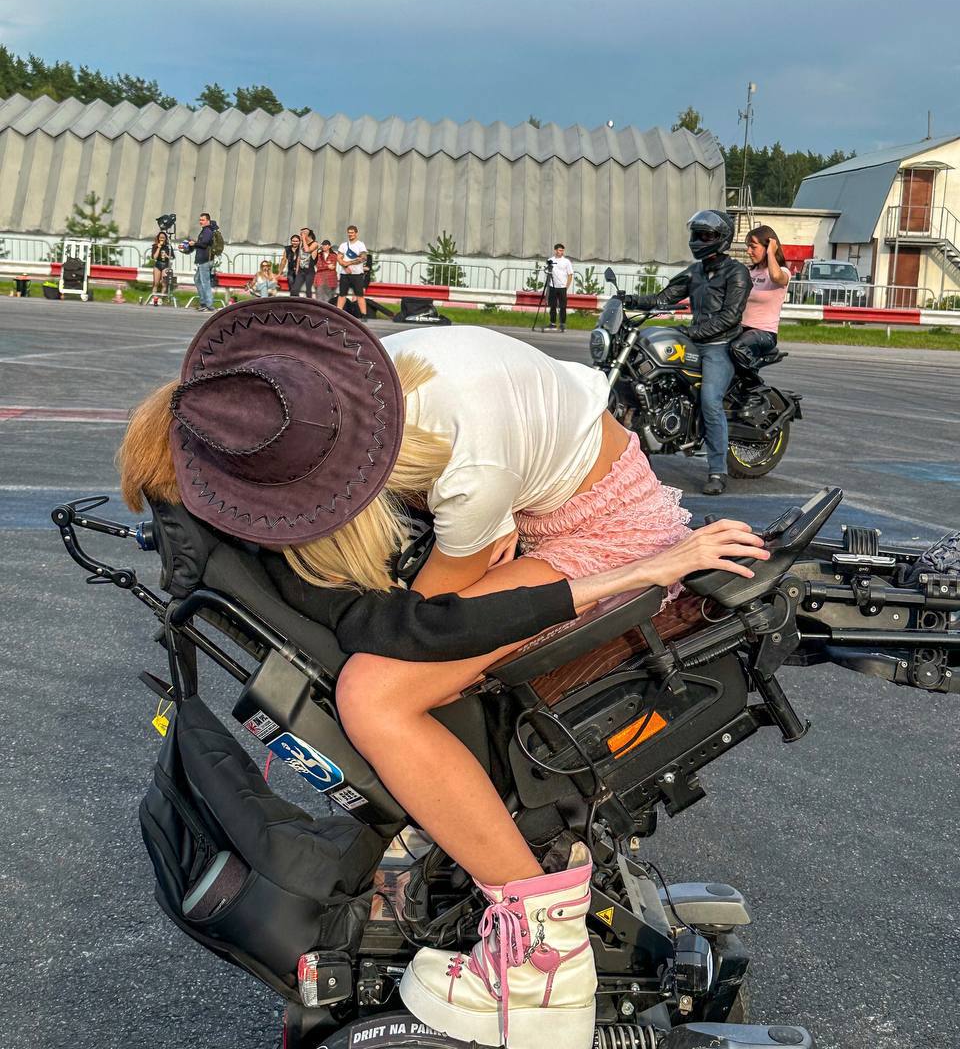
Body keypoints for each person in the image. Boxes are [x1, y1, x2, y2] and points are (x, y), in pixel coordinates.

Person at [116, 300, 769, 1049]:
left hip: (606, 533)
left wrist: (639, 571)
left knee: (377, 697)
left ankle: (543, 947)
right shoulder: (369, 391)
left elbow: (429, 628)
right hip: (543, 504)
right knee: (395, 677)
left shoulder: (467, 466)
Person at [628, 210, 750, 497]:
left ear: (721, 238)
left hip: (720, 345)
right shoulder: (695, 271)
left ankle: (717, 470)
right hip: (695, 339)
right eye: (697, 234)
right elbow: (663, 298)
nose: (699, 240)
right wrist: (629, 299)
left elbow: (730, 317)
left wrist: (692, 332)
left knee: (710, 400)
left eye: (706, 235)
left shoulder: (737, 272)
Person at [731, 225, 791, 377]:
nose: (748, 251)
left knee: (737, 347)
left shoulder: (783, 272)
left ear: (768, 246)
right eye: (748, 247)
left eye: (753, 247)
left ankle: (753, 382)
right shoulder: (749, 272)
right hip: (740, 329)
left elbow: (776, 277)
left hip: (764, 333)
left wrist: (771, 251)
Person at [182, 212, 220, 312]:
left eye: (202, 220)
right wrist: (194, 244)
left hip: (205, 260)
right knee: (197, 279)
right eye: (200, 220)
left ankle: (209, 305)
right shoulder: (206, 230)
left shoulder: (207, 231)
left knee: (205, 282)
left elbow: (204, 244)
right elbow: (202, 244)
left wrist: (194, 244)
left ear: (208, 221)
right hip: (204, 260)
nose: (200, 222)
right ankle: (204, 302)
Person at [336, 224, 367, 316]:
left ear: (356, 233)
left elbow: (363, 258)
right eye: (349, 233)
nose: (350, 234)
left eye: (352, 233)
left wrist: (348, 263)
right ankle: (338, 313)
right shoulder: (343, 245)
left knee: (360, 295)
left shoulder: (360, 245)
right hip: (344, 274)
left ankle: (364, 314)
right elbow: (339, 258)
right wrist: (345, 267)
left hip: (357, 274)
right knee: (342, 295)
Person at [546, 243, 574, 331]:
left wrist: (566, 286)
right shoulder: (550, 260)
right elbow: (548, 272)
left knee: (563, 306)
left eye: (562, 250)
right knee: (552, 305)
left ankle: (562, 323)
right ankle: (552, 323)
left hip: (562, 286)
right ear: (555, 250)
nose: (561, 252)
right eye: (559, 250)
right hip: (553, 286)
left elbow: (570, 274)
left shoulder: (566, 261)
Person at [290, 227, 318, 298]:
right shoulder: (302, 244)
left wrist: (303, 239)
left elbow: (307, 250)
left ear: (307, 235)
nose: (300, 236)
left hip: (309, 271)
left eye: (301, 234)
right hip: (301, 270)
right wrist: (297, 269)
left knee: (308, 291)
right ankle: (296, 303)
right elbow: (299, 257)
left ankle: (309, 304)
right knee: (294, 290)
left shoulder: (315, 243)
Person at [149, 230, 172, 304]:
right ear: (158, 238)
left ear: (165, 238)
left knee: (164, 283)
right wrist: (158, 248)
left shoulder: (168, 247)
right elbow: (154, 257)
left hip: (165, 264)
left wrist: (167, 256)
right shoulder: (155, 246)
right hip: (158, 264)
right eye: (160, 237)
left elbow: (172, 257)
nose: (162, 239)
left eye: (163, 237)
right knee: (156, 282)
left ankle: (161, 298)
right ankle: (154, 298)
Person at [314, 239, 339, 303]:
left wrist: (323, 266)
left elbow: (333, 266)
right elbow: (318, 265)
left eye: (325, 245)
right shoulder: (319, 255)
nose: (324, 246)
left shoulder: (334, 255)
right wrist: (327, 266)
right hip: (320, 278)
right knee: (319, 298)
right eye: (323, 245)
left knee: (330, 299)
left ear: (329, 246)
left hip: (331, 278)